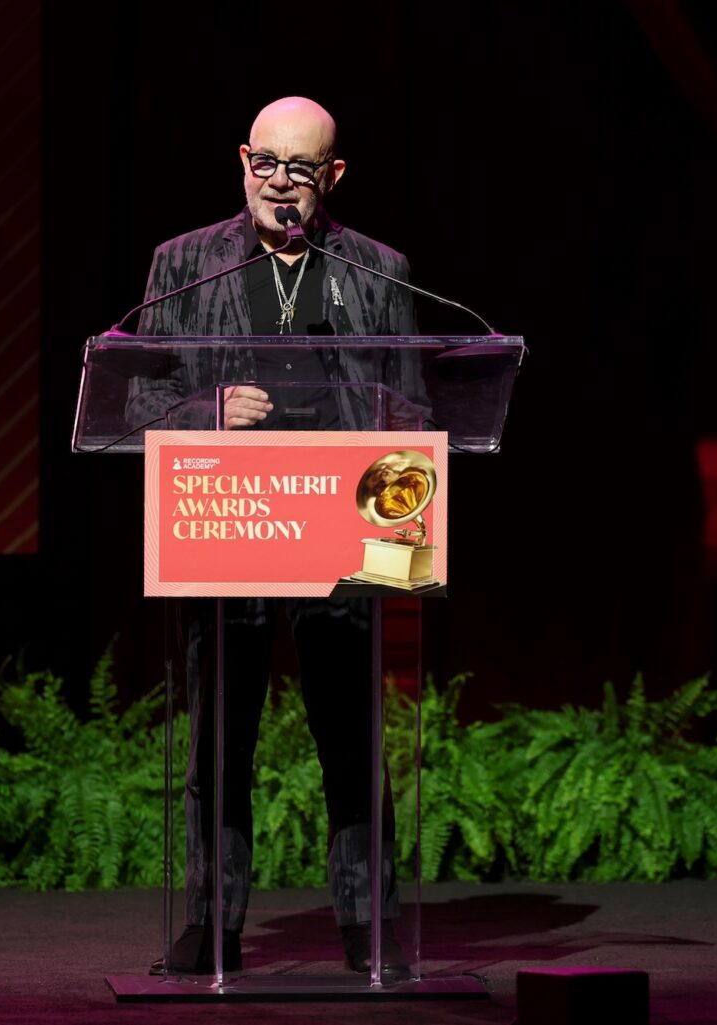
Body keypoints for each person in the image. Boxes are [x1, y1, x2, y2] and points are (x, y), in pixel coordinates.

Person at [131, 96, 418, 976]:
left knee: (350, 737)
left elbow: (413, 406)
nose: (281, 185)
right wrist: (205, 411)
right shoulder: (182, 266)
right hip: (227, 526)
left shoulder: (378, 271)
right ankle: (213, 923)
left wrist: (354, 422)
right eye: (267, 165)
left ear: (332, 175)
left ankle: (368, 925)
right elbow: (135, 404)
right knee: (221, 739)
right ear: (242, 161)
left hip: (341, 529)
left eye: (301, 169)